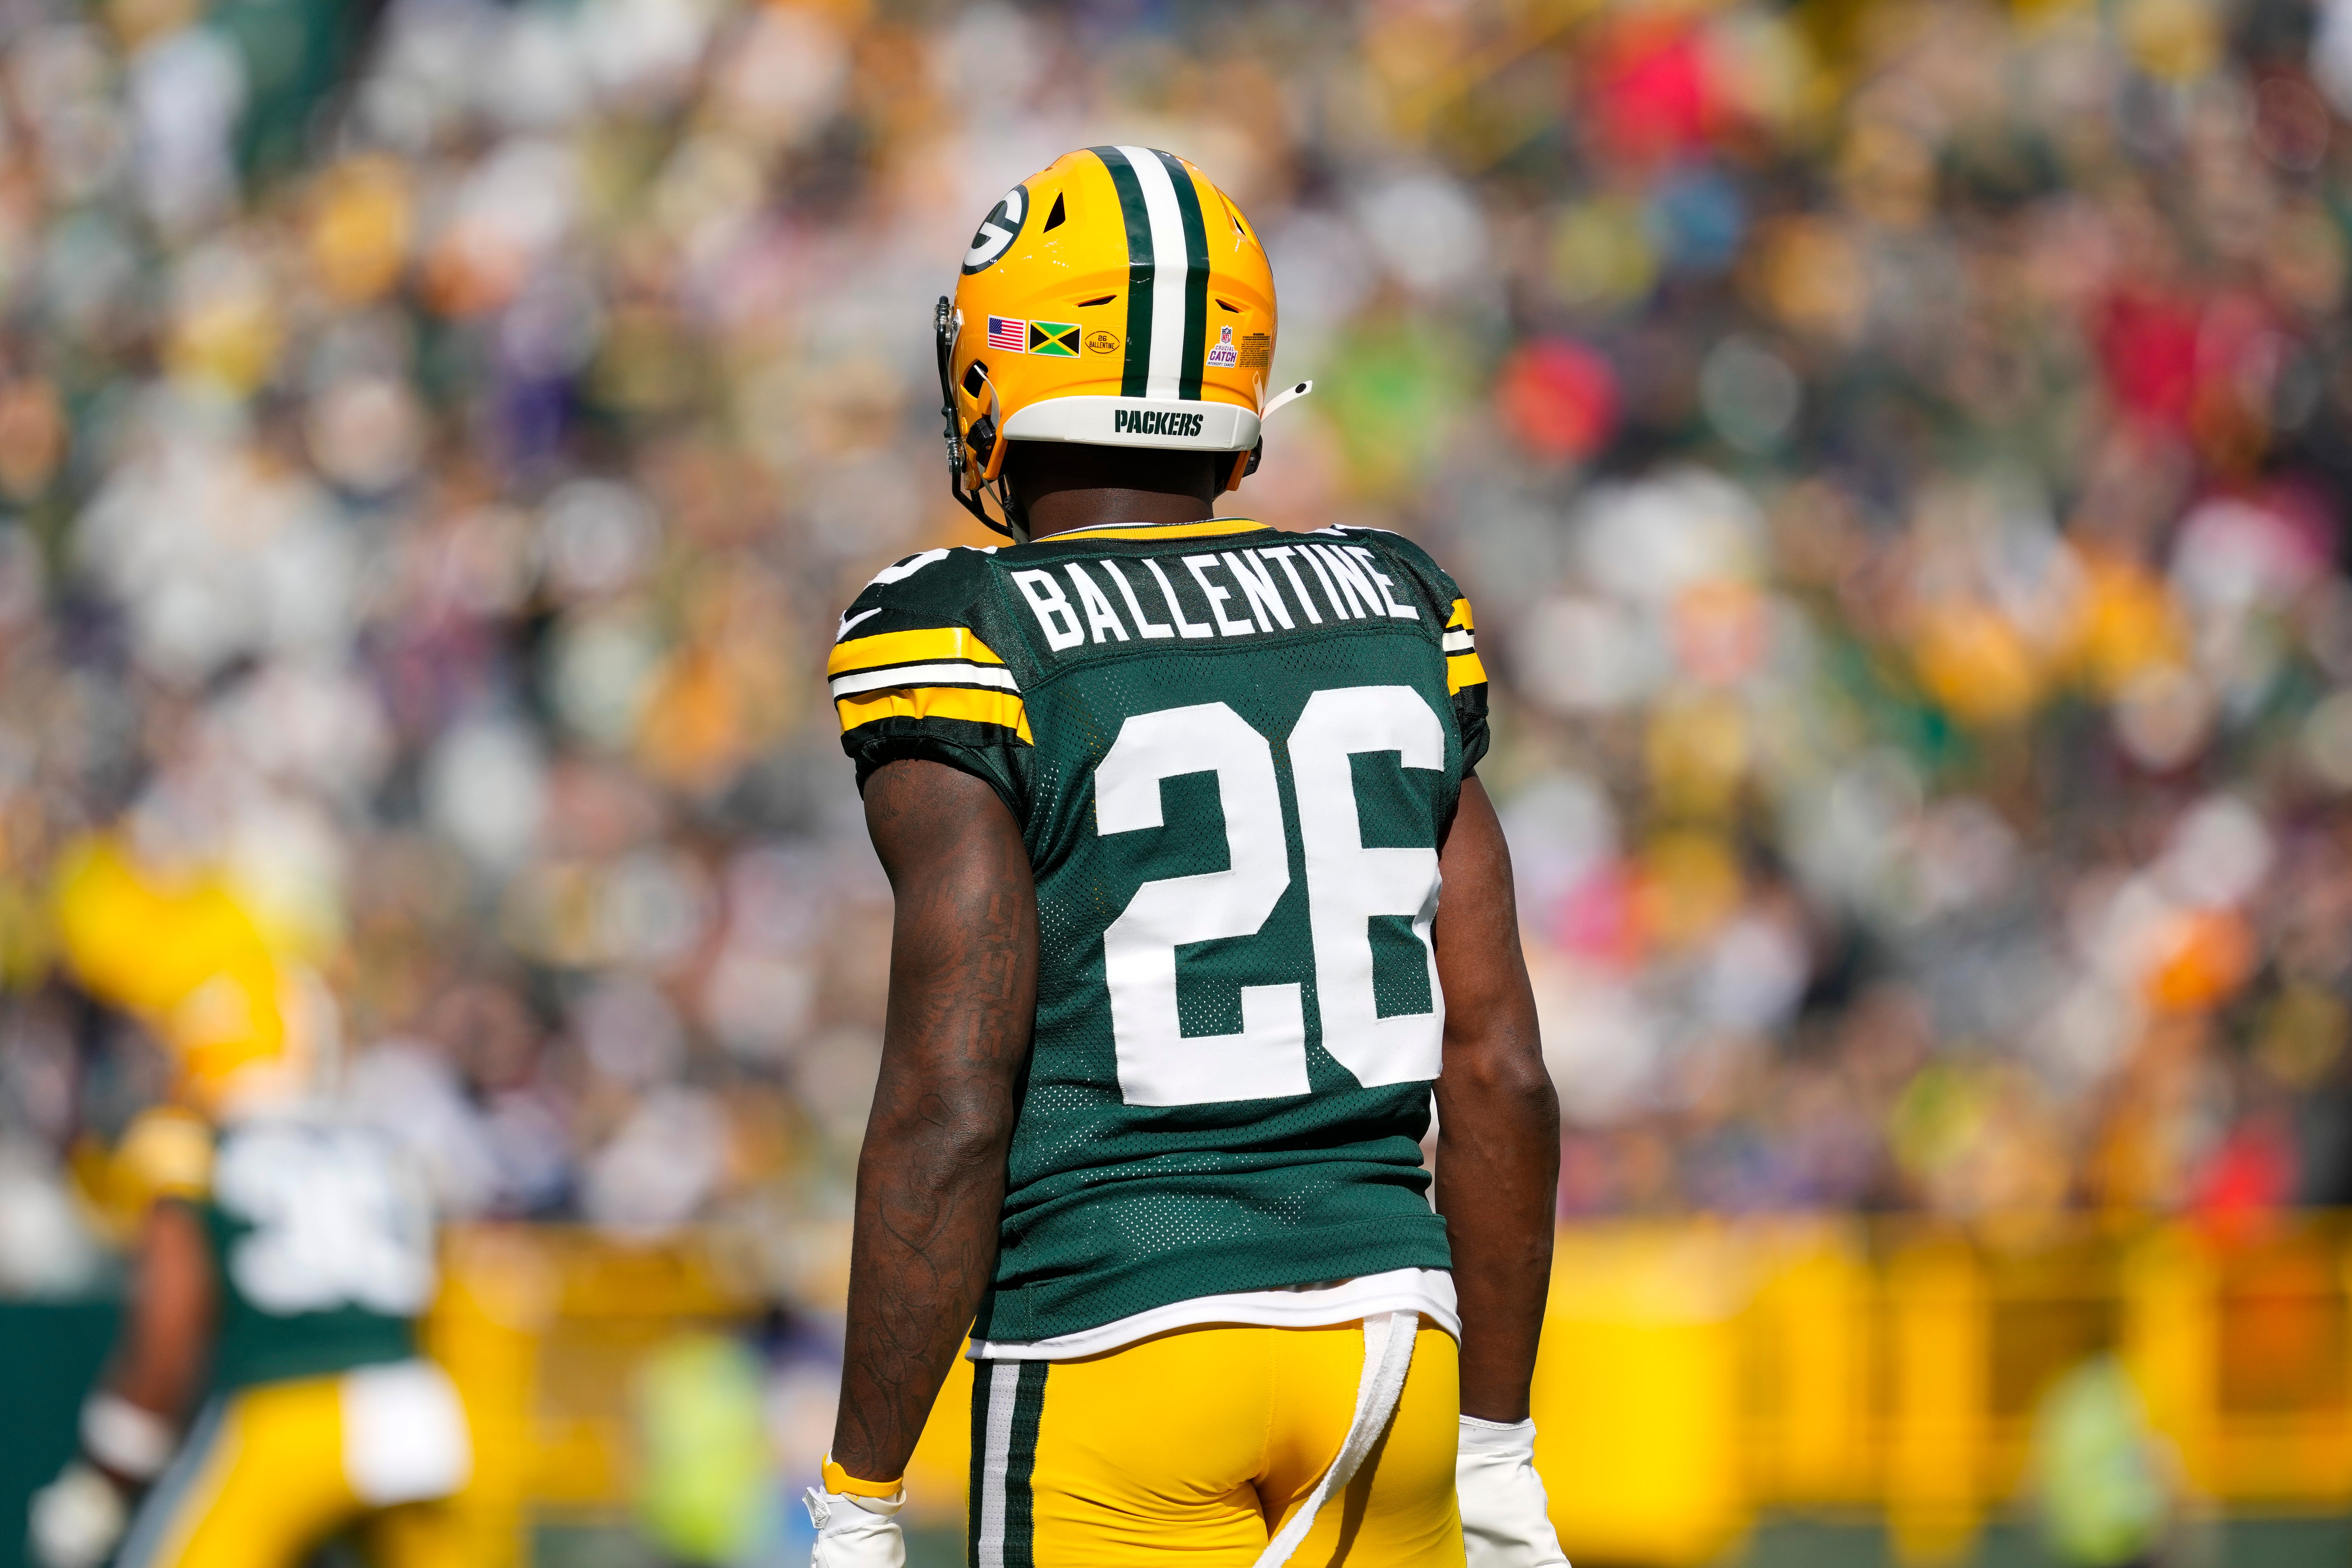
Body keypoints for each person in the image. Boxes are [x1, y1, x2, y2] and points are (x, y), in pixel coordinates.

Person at [805, 147, 1567, 1567]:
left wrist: (861, 1490)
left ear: (993, 364)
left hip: (1114, 1341)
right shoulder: (1388, 595)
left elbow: (953, 1094)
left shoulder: (966, 624)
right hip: (1387, 1347)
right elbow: (1499, 1059)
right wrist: (1500, 1446)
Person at [27, 837, 472, 1568]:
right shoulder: (381, 1147)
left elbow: (169, 1330)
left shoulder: (195, 1150)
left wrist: (103, 1481)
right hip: (418, 1420)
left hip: (290, 1415)